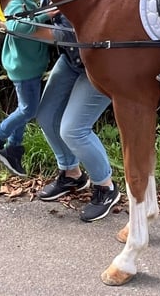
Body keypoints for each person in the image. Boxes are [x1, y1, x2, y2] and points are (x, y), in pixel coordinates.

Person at [33, 12, 121, 221]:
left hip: (102, 63)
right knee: (46, 116)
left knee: (73, 130)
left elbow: (72, 33)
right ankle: (72, 174)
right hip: (72, 59)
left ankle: (106, 187)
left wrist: (22, 28)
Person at [0, 0, 54, 177]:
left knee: (24, 108)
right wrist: (46, 15)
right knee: (28, 110)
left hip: (31, 67)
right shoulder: (13, 3)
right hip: (24, 68)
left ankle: (13, 150)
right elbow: (17, 26)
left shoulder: (25, 1)